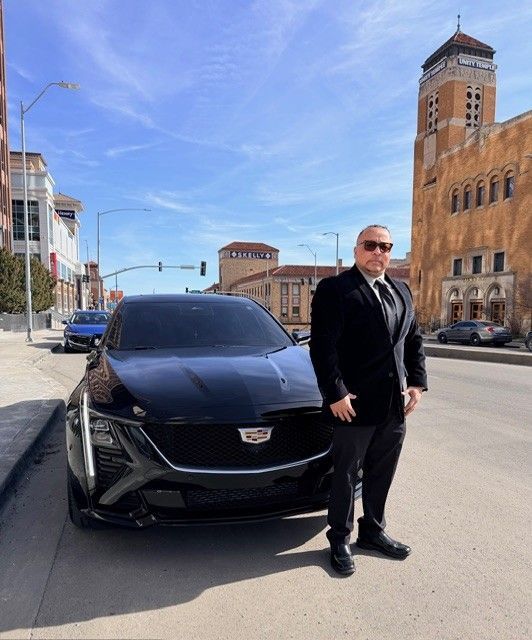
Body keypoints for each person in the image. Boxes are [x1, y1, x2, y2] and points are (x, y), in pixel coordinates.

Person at [310, 224, 427, 575]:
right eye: (372, 245)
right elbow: (323, 347)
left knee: (382, 471)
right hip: (353, 404)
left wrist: (417, 384)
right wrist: (335, 392)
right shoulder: (336, 289)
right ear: (358, 249)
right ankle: (340, 538)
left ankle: (373, 531)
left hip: (394, 404)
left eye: (386, 246)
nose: (379, 252)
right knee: (346, 474)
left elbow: (414, 341)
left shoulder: (401, 291)